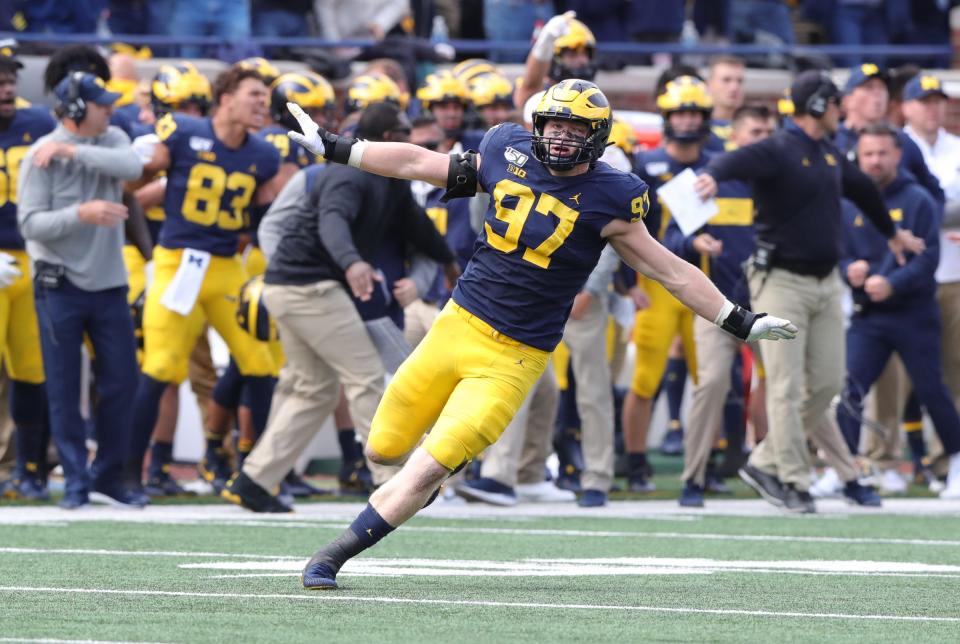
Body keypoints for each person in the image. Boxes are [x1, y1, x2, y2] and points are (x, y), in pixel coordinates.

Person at [285, 78, 797, 589]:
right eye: (554, 124)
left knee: (421, 470)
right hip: (455, 326)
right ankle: (424, 483)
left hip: (514, 358)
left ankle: (331, 556)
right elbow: (418, 162)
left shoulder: (614, 196)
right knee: (382, 449)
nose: (559, 137)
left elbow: (671, 270)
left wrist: (739, 319)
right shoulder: (506, 150)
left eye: (574, 128)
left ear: (597, 137)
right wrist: (338, 147)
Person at [695, 70, 921, 513]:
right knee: (784, 385)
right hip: (780, 280)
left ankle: (764, 460)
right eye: (836, 102)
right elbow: (732, 161)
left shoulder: (830, 155)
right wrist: (711, 176)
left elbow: (864, 192)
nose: (842, 110)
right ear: (819, 105)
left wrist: (892, 234)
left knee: (827, 384)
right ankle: (792, 478)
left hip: (824, 282)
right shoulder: (777, 148)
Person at [225, 102, 456, 512]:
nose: (410, 138)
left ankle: (255, 480)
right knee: (366, 376)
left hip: (296, 286)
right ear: (385, 137)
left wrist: (449, 260)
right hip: (307, 285)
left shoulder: (391, 179)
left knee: (313, 389)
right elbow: (332, 219)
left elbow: (419, 229)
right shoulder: (349, 173)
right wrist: (352, 263)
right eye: (402, 130)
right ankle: (395, 479)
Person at [127, 66, 281, 496]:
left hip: (227, 268)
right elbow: (131, 187)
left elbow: (274, 211)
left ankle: (255, 473)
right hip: (178, 264)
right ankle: (126, 475)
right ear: (226, 97)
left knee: (260, 362)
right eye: (253, 94)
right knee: (159, 366)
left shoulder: (265, 155)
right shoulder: (182, 133)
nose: (261, 104)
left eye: (265, 98)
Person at [18, 71, 144, 509]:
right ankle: (74, 481)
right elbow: (30, 224)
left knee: (123, 383)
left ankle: (108, 476)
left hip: (109, 285)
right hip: (60, 286)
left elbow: (133, 167)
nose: (110, 109)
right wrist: (81, 213)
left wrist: (73, 150)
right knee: (63, 388)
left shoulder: (110, 139)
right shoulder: (37, 155)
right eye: (101, 103)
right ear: (74, 110)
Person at [835, 123, 960, 499]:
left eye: (882, 153)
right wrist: (850, 269)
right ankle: (843, 468)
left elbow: (928, 260)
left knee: (931, 389)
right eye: (867, 153)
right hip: (869, 315)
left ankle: (956, 461)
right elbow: (841, 252)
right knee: (849, 389)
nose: (874, 160)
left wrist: (893, 283)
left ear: (898, 155)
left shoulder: (918, 199)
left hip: (913, 312)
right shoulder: (849, 200)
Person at [663, 104, 775, 508]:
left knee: (791, 384)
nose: (764, 140)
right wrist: (695, 243)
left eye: (769, 132)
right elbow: (670, 239)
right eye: (756, 132)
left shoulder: (784, 180)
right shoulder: (708, 179)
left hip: (771, 301)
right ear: (737, 137)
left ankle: (796, 470)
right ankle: (693, 478)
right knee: (711, 384)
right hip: (720, 304)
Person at [0, 54, 56, 500]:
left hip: (28, 257)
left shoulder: (37, 123)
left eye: (9, 80)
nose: (5, 89)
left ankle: (31, 469)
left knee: (31, 371)